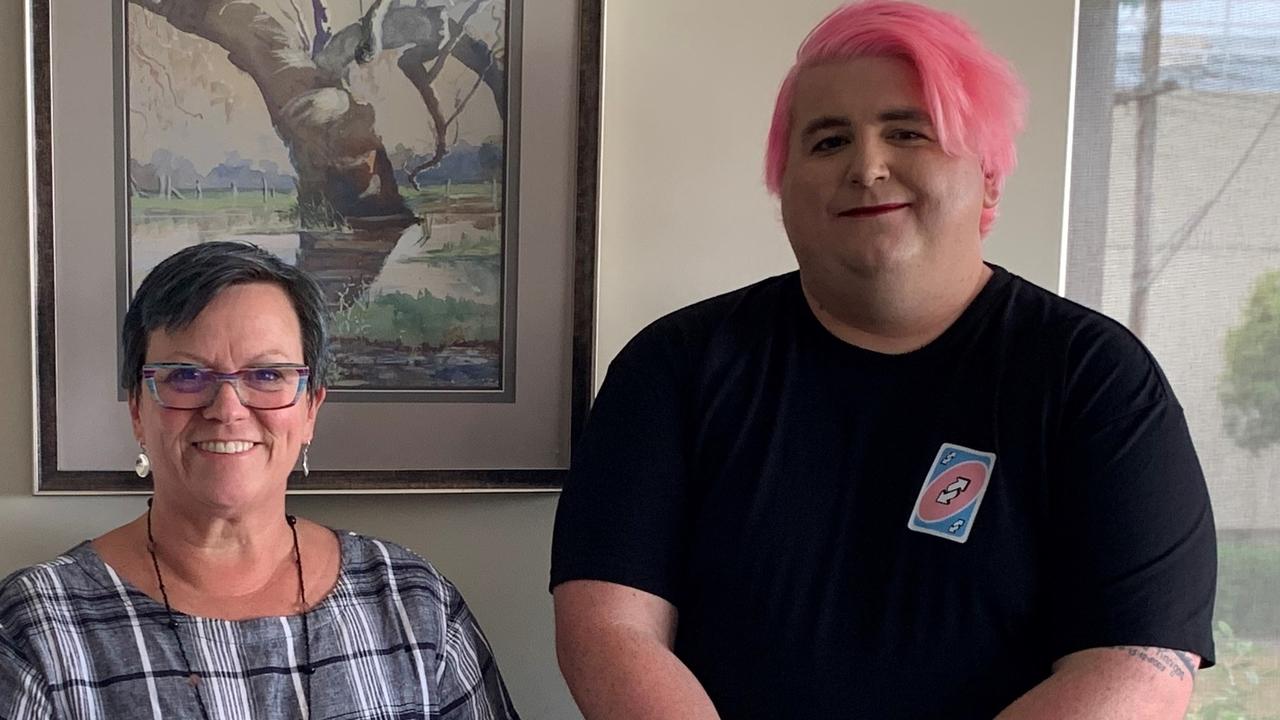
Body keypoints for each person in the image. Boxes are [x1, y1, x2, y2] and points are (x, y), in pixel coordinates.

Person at [549, 1, 1217, 718]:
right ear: (784, 191)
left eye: (907, 132)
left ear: (989, 176)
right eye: (829, 142)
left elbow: (1139, 667)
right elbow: (608, 629)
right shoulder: (672, 369)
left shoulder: (1096, 378)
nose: (867, 166)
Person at [0, 241, 519, 719]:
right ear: (138, 409)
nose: (227, 410)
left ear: (311, 408)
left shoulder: (412, 602)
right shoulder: (36, 626)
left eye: (267, 375)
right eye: (186, 375)